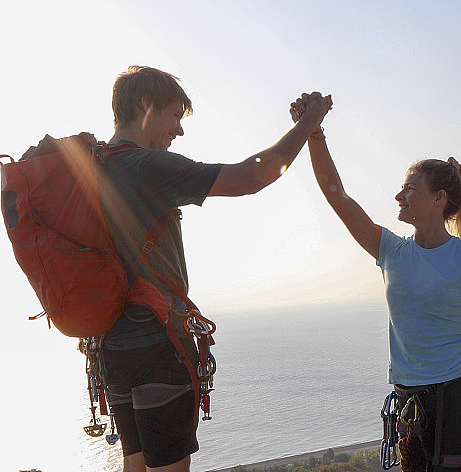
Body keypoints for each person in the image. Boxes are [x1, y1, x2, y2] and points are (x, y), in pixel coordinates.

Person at [100, 66, 331, 472]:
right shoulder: (147, 166)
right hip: (156, 343)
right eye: (174, 115)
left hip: (111, 347)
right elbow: (254, 175)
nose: (179, 130)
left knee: (134, 464)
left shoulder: (93, 165)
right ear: (145, 105)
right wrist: (310, 122)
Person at [292, 96, 461, 471]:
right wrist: (314, 132)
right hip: (409, 406)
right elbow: (336, 195)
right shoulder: (391, 251)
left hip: (459, 404)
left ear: (439, 198)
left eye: (409, 188)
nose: (399, 196)